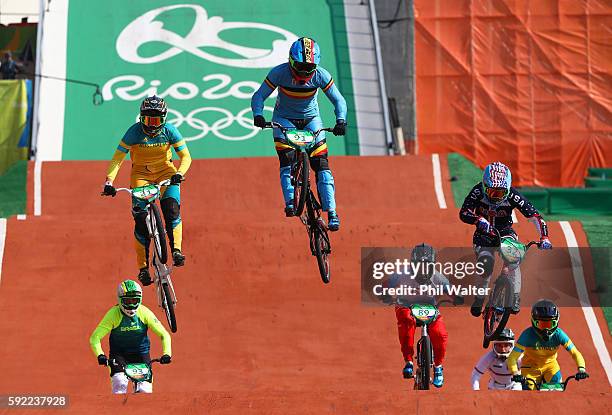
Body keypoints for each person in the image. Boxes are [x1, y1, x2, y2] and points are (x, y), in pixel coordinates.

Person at [251, 37, 347, 231]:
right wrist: (258, 114)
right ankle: (290, 202)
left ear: (316, 66)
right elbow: (259, 96)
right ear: (290, 61)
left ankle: (332, 212)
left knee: (322, 166)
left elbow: (339, 100)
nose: (303, 73)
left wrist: (341, 120)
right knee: (287, 161)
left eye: (308, 68)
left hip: (312, 120)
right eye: (299, 66)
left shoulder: (321, 75)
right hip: (284, 119)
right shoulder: (279, 73)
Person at [101, 96, 192, 285]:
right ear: (140, 118)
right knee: (141, 221)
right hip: (141, 175)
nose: (151, 125)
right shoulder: (133, 133)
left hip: (166, 172)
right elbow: (117, 159)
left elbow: (186, 157)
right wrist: (109, 181)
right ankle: (142, 268)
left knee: (171, 209)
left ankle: (176, 250)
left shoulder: (170, 131)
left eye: (156, 120)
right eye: (147, 120)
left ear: (164, 119)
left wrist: (179, 173)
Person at [459, 161, 552, 317]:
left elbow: (535, 216)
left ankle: (514, 296)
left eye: (500, 193)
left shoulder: (514, 195)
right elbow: (464, 212)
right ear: (484, 185)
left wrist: (544, 237)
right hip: (483, 236)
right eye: (491, 191)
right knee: (485, 265)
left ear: (508, 189)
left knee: (513, 261)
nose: (495, 197)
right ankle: (479, 298)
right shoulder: (477, 192)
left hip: (505, 232)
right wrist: (478, 220)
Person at [384, 243, 463, 388]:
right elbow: (386, 284)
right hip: (405, 305)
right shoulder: (402, 274)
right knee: (407, 322)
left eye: (427, 266)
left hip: (429, 308)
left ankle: (438, 367)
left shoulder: (438, 277)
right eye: (419, 266)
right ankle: (408, 361)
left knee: (440, 334)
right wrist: (384, 293)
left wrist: (456, 297)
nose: (423, 270)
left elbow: (449, 290)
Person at [89, 280, 172, 394]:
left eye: (134, 300)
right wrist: (100, 355)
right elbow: (95, 338)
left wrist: (167, 353)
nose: (131, 305)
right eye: (127, 301)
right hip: (119, 356)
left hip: (141, 354)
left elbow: (164, 334)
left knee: (145, 391)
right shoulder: (113, 315)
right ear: (120, 300)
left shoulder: (144, 312)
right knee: (119, 384)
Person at [507, 299, 589, 390]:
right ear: (534, 322)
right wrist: (515, 373)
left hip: (550, 367)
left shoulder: (559, 334)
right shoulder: (527, 335)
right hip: (530, 368)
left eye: (550, 324)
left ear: (556, 322)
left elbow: (575, 353)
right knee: (529, 393)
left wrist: (581, 369)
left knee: (557, 391)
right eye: (542, 324)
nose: (546, 329)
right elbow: (512, 357)